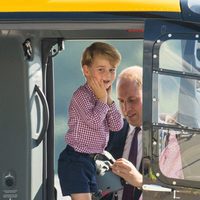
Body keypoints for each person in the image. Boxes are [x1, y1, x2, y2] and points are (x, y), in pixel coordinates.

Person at [102, 66, 183, 200]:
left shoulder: (171, 138)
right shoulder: (111, 132)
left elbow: (177, 190)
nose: (126, 109)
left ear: (150, 95)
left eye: (132, 100)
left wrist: (141, 182)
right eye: (121, 101)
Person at [58, 42, 124, 200]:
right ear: (86, 70)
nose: (107, 75)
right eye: (101, 70)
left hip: (93, 160)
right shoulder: (81, 96)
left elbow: (117, 125)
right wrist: (102, 100)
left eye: (112, 70)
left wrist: (108, 100)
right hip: (75, 160)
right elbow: (94, 122)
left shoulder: (103, 98)